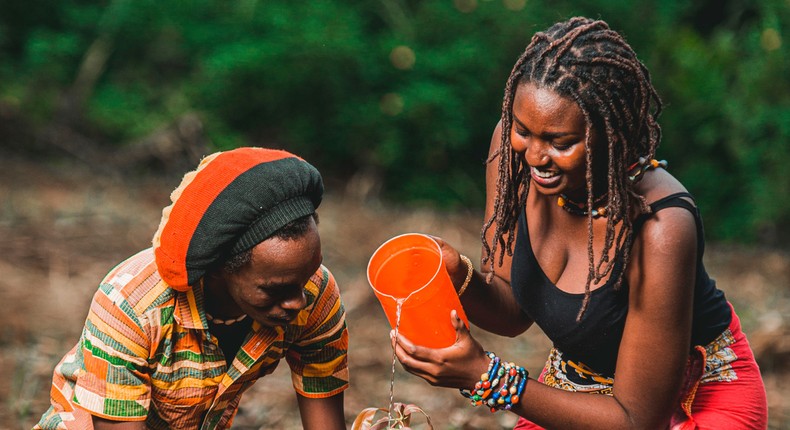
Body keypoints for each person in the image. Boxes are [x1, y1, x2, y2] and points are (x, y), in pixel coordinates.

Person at [391, 17, 768, 429]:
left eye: (560, 142)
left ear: (612, 136)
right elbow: (513, 309)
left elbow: (637, 420)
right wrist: (454, 273)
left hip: (692, 400)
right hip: (580, 389)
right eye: (522, 130)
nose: (535, 155)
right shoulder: (513, 155)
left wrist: (486, 376)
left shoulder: (659, 226)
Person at [35, 147, 349, 429]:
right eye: (274, 290)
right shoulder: (131, 306)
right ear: (217, 270)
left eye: (305, 277)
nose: (298, 301)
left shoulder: (315, 292)